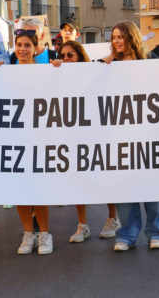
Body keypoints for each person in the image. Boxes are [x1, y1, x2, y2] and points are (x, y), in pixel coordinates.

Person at [105, 22, 159, 251]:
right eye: (114, 37)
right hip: (120, 136)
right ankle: (127, 234)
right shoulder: (108, 65)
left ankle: (155, 232)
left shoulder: (151, 61)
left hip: (149, 134)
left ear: (132, 38)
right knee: (125, 186)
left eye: (121, 36)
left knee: (152, 185)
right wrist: (102, 67)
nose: (116, 41)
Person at [55, 40, 121, 242]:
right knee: (78, 179)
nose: (66, 59)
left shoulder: (95, 69)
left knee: (103, 176)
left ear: (79, 55)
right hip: (72, 135)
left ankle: (113, 218)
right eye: (63, 55)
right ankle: (82, 225)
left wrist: (108, 63)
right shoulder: (58, 75)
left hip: (97, 133)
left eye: (70, 55)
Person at [9, 28, 54, 254]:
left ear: (36, 49)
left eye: (27, 45)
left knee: (38, 188)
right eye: (19, 45)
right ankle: (28, 233)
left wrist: (59, 72)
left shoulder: (46, 71)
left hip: (39, 137)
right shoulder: (5, 72)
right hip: (15, 137)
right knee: (20, 189)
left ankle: (44, 234)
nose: (22, 49)